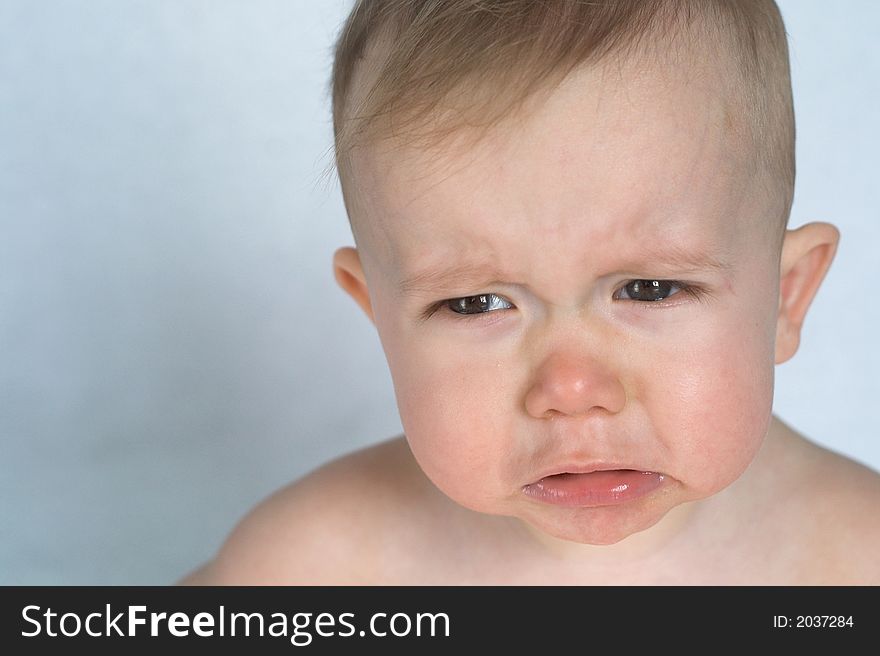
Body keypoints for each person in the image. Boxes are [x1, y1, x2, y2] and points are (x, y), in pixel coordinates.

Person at [180, 0, 880, 585]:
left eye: (650, 288)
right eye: (476, 303)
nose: (571, 388)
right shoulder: (312, 568)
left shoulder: (854, 559)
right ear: (380, 317)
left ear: (786, 297)